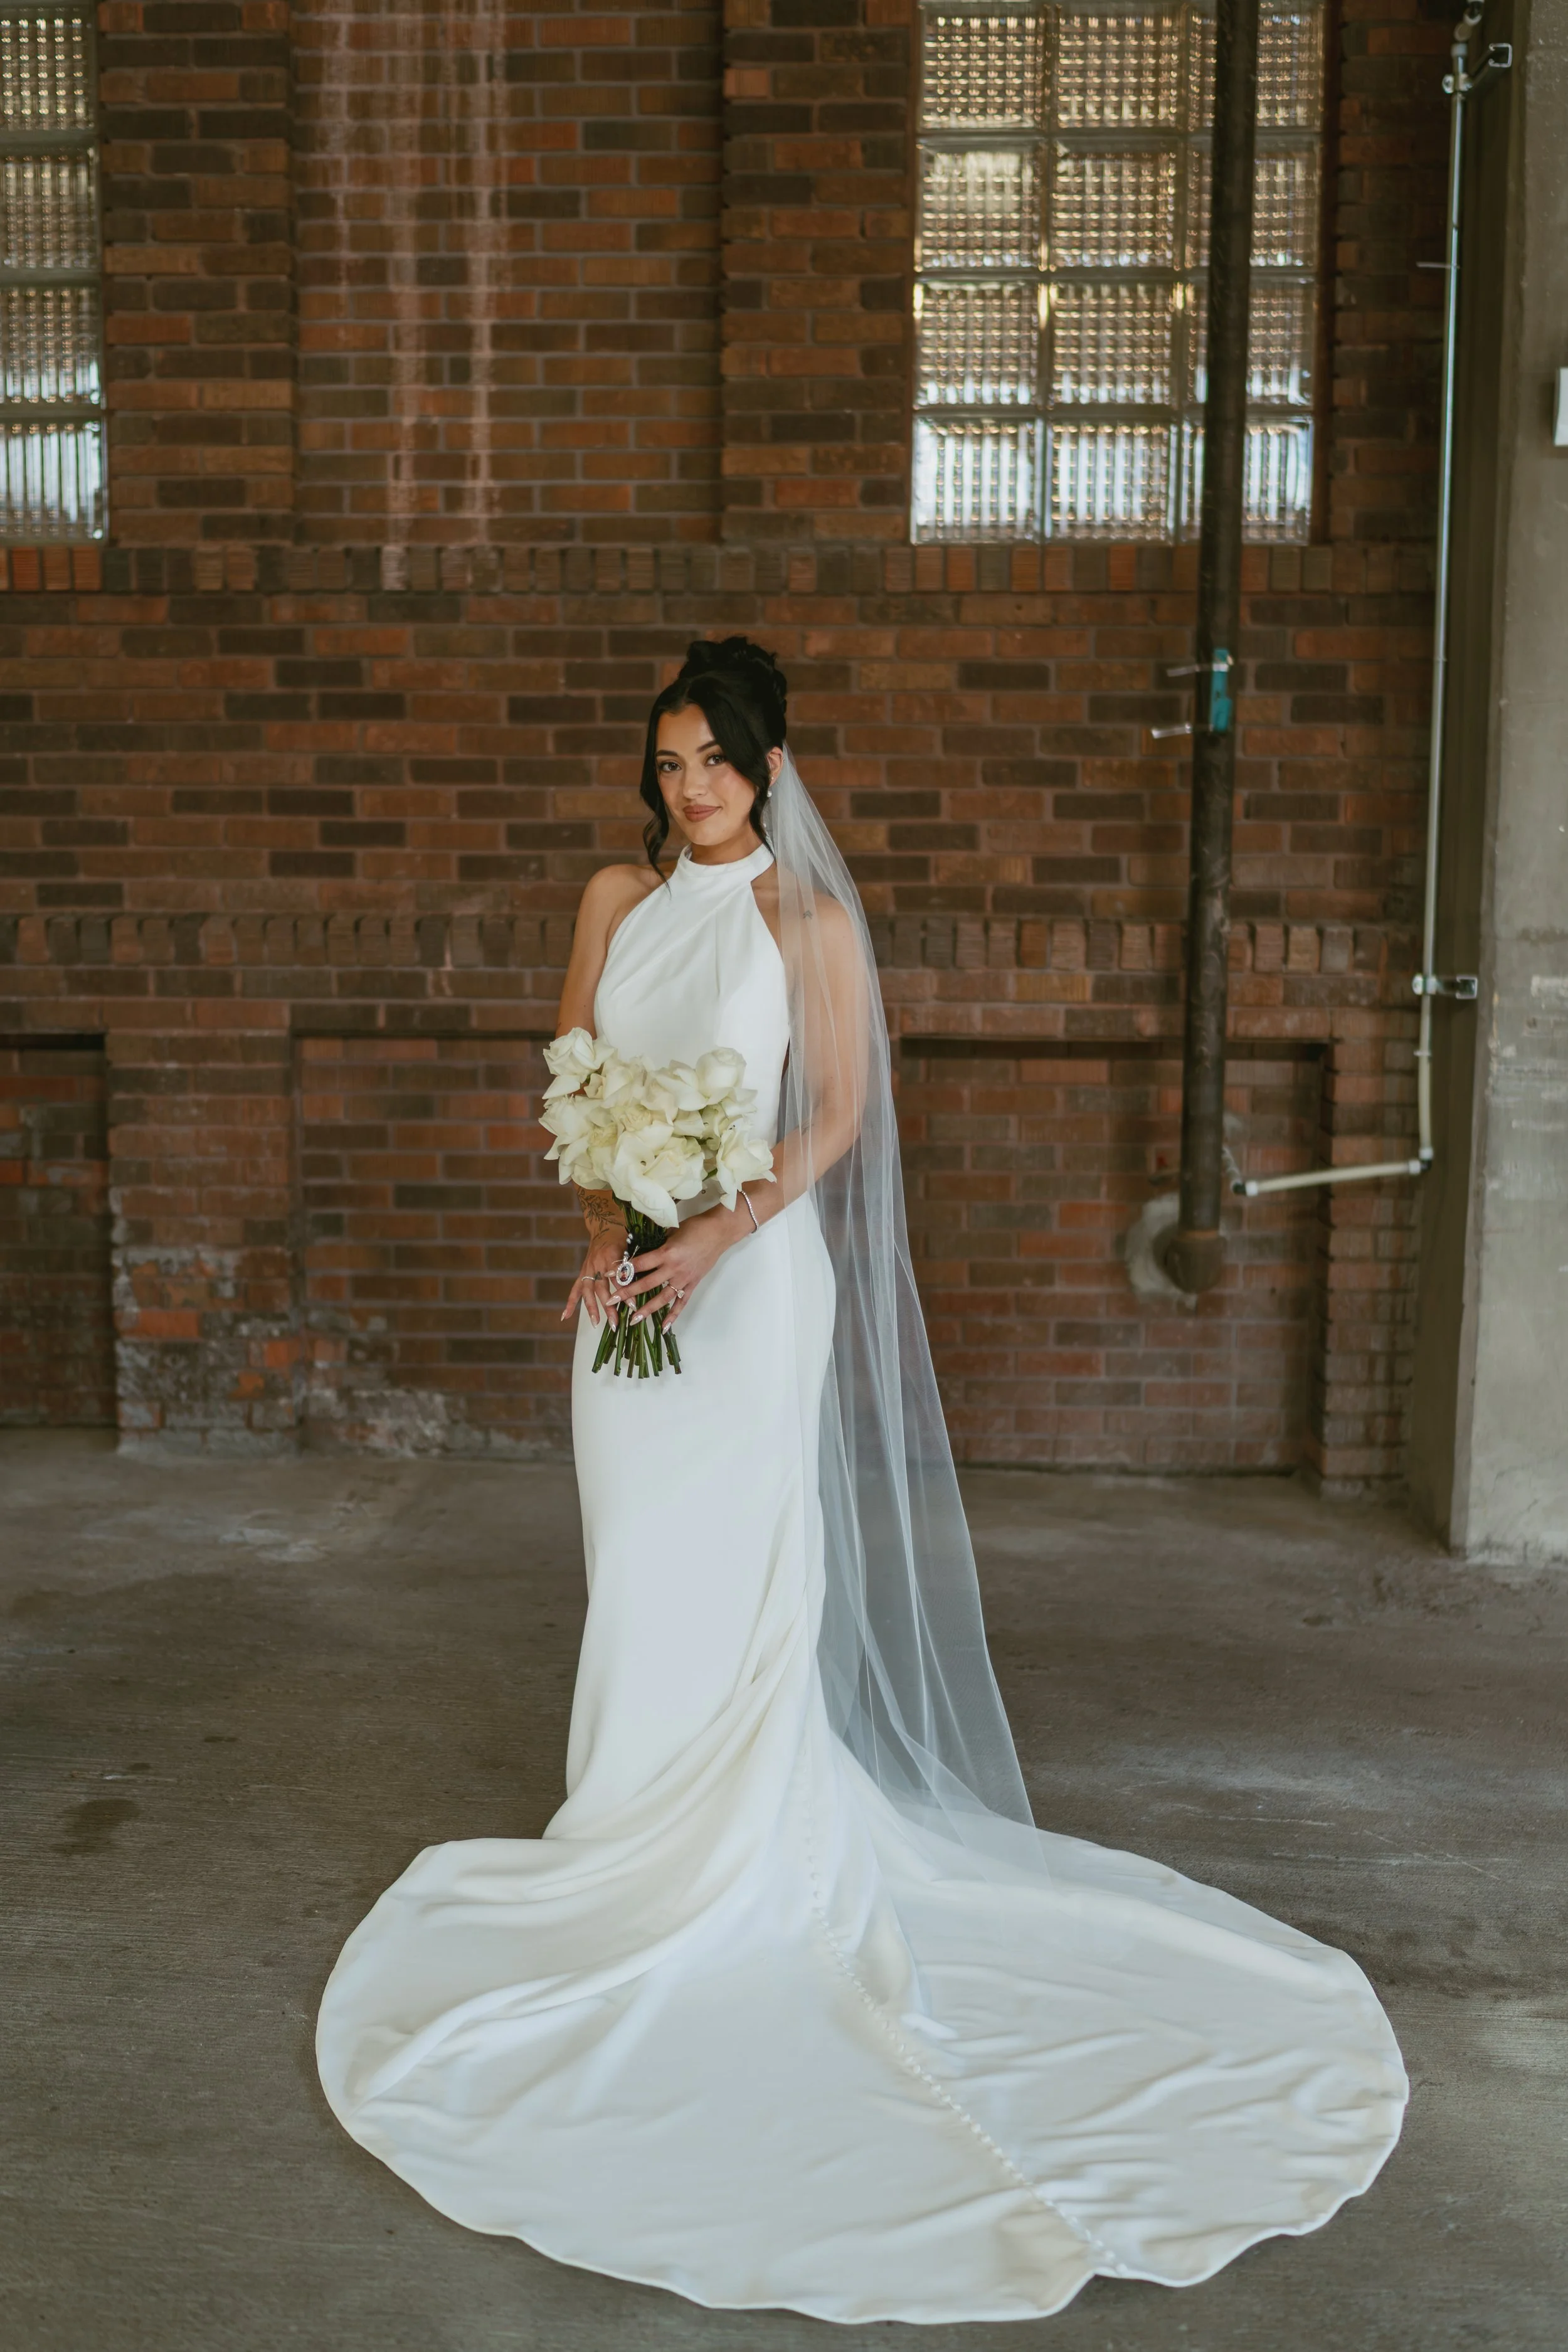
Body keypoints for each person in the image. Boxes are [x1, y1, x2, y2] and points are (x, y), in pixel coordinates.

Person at [316, 637, 1407, 2324]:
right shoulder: (614, 893)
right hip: (632, 1292)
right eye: (670, 760)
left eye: (718, 763)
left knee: (743, 1570)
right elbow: (569, 1083)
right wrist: (613, 1236)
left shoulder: (802, 923)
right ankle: (621, 1833)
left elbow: (834, 1115)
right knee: (639, 1568)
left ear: (767, 768)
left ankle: (738, 1861)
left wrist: (716, 1233)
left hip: (752, 1295)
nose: (690, 790)